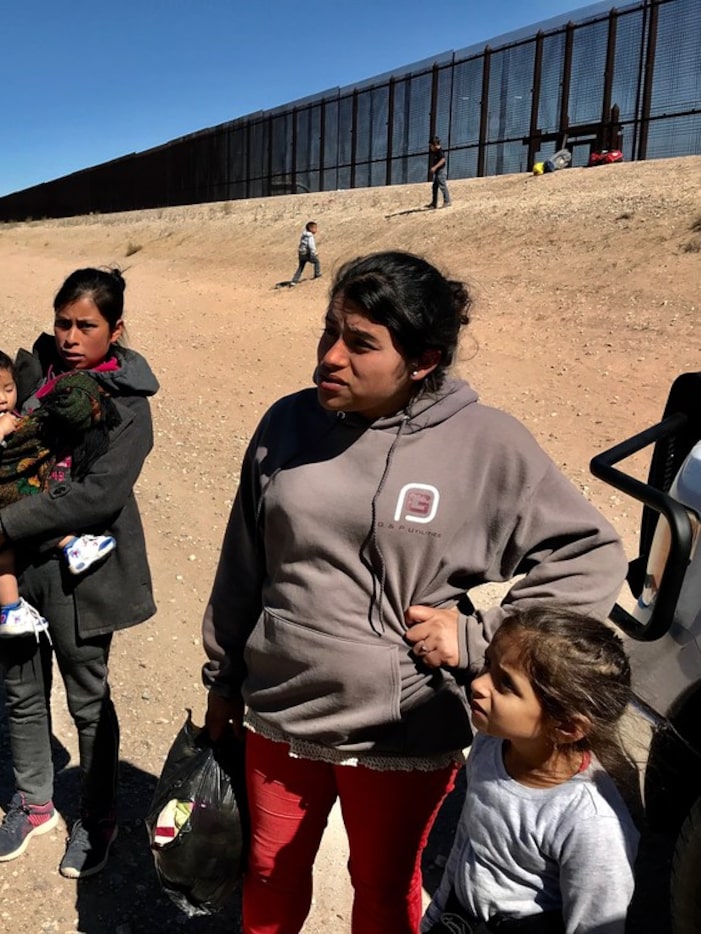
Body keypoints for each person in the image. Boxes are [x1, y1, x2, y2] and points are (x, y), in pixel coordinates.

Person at [200, 250, 625, 934]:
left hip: (400, 731)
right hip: (278, 711)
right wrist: (222, 678)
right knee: (269, 872)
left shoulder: (485, 444)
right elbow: (241, 563)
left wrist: (479, 636)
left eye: (360, 343)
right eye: (328, 331)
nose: (329, 356)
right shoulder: (285, 424)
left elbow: (590, 553)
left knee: (380, 888)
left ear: (421, 360)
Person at [0, 267, 158, 879]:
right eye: (62, 322)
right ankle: (35, 802)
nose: (69, 336)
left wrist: (3, 523)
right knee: (20, 689)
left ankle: (98, 817)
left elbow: (98, 495)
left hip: (76, 572)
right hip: (16, 568)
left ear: (115, 330)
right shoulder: (32, 376)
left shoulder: (127, 407)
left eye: (85, 325)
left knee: (87, 697)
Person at [422, 606, 638, 934]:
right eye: (489, 664)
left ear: (566, 727)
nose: (479, 684)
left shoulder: (591, 826)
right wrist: (437, 916)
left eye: (505, 684)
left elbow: (597, 925)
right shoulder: (492, 744)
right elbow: (469, 843)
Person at [0, 342, 119, 639]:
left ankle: (13, 611)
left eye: (8, 389)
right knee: (24, 514)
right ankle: (68, 547)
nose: (2, 400)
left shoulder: (5, 411)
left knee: (6, 554)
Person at [286, 220, 321, 286]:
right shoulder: (310, 236)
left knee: (301, 267)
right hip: (307, 253)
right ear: (311, 229)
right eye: (315, 228)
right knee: (316, 261)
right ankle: (317, 274)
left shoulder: (304, 235)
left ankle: (294, 281)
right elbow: (311, 245)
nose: (316, 230)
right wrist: (314, 253)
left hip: (301, 253)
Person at [428, 136, 452, 208]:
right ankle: (434, 203)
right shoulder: (434, 151)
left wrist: (435, 167)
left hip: (441, 171)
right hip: (438, 172)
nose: (430, 147)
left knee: (442, 185)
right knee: (435, 186)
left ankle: (447, 201)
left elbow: (443, 160)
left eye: (431, 145)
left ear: (434, 144)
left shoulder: (439, 151)